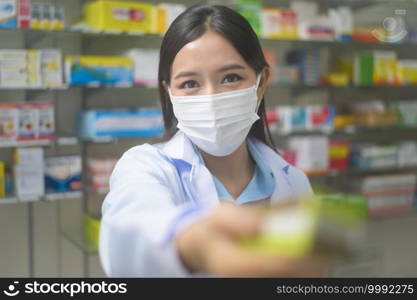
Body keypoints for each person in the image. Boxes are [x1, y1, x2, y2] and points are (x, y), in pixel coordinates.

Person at [99, 4, 327, 277]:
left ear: (261, 81)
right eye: (189, 83)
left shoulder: (294, 182)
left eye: (230, 78)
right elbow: (131, 230)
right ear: (169, 92)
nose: (211, 99)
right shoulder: (145, 167)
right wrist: (192, 242)